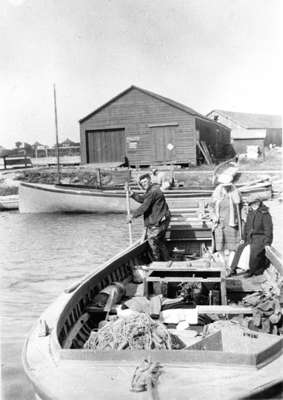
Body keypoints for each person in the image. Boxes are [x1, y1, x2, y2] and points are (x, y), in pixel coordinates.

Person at [127, 173, 171, 261]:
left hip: (159, 221)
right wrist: (132, 194)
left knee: (153, 242)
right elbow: (143, 200)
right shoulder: (151, 190)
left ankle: (157, 262)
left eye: (145, 181)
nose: (144, 184)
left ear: (150, 180)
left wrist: (132, 215)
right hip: (162, 219)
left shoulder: (153, 191)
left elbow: (144, 206)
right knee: (160, 242)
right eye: (142, 183)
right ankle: (166, 260)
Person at [230, 196, 273, 277]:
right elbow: (246, 227)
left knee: (254, 251)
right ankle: (232, 269)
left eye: (254, 204)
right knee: (239, 248)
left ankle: (253, 271)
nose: (252, 206)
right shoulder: (251, 212)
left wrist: (267, 243)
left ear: (258, 203)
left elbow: (268, 229)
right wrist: (243, 238)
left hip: (261, 238)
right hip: (250, 237)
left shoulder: (265, 213)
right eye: (251, 204)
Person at [210, 171, 242, 267]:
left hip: (232, 223)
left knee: (233, 245)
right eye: (225, 186)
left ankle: (231, 264)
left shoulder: (235, 191)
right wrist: (214, 216)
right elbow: (211, 207)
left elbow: (240, 205)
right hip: (220, 223)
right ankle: (223, 263)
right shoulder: (217, 192)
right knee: (220, 244)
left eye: (228, 185)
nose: (227, 187)